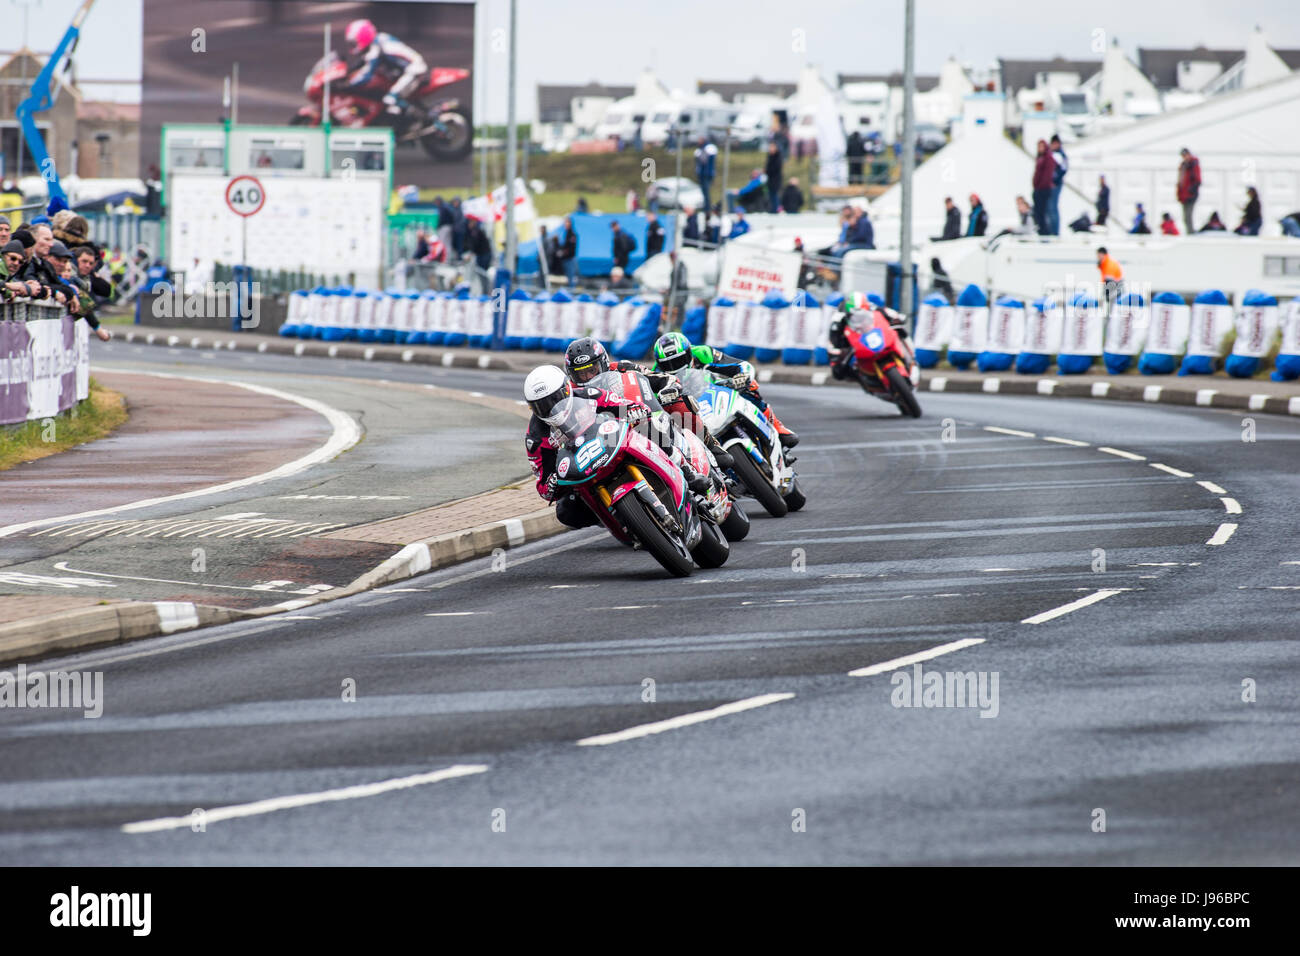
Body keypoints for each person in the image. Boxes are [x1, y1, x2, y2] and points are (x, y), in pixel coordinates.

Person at [523, 365, 669, 531]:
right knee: (565, 511)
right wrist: (552, 483)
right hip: (583, 473)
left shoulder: (589, 395)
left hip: (611, 446)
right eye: (541, 406)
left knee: (650, 426)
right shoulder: (535, 438)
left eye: (555, 399)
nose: (551, 408)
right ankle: (615, 519)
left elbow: (623, 404)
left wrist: (634, 410)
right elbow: (543, 486)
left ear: (567, 389)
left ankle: (686, 471)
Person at [562, 336, 733, 469]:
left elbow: (658, 378)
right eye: (581, 374)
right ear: (571, 374)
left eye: (592, 370)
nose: (588, 377)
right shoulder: (570, 392)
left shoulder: (622, 367)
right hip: (605, 434)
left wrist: (669, 387)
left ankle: (710, 444)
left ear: (604, 363)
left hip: (642, 416)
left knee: (680, 402)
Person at [652, 331, 799, 448]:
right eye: (668, 365)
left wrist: (742, 377)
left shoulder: (703, 353)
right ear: (659, 364)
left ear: (689, 353)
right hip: (688, 408)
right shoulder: (655, 374)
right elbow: (651, 403)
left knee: (750, 386)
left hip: (716, 391)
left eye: (679, 360)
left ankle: (777, 426)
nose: (676, 367)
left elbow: (740, 365)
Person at [344, 18, 428, 118]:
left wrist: (347, 86)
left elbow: (367, 74)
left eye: (354, 43)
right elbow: (362, 63)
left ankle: (420, 118)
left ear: (363, 37)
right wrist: (347, 72)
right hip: (404, 71)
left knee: (390, 99)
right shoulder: (378, 40)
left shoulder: (377, 47)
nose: (354, 46)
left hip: (414, 71)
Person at [1032, 139, 1055, 235]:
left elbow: (1047, 175)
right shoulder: (1040, 158)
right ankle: (1041, 231)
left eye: (1041, 146)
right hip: (1038, 189)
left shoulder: (1048, 158)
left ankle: (1046, 232)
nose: (1039, 149)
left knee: (1044, 212)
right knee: (1038, 213)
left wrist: (1040, 187)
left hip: (1043, 190)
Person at [1176, 148, 1201, 236]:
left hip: (1190, 195)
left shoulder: (1193, 164)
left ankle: (1191, 232)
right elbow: (1180, 181)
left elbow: (1197, 180)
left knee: (1188, 215)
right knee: (1185, 217)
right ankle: (1189, 232)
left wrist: (1192, 191)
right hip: (1183, 195)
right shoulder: (1183, 165)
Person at [1048, 134, 1068, 236]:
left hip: (1055, 185)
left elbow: (1063, 169)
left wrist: (1055, 180)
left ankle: (1055, 231)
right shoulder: (1053, 154)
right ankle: (1052, 230)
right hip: (1051, 185)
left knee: (1052, 207)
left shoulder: (1059, 155)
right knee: (1050, 208)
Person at [553, 215, 578, 284]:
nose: (566, 224)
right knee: (567, 278)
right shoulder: (566, 234)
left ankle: (572, 291)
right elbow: (564, 246)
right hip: (566, 259)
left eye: (567, 222)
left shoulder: (572, 234)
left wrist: (563, 252)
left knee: (571, 278)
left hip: (570, 259)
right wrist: (556, 242)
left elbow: (571, 248)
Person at [694, 137, 717, 212]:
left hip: (706, 174)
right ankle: (706, 206)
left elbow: (705, 161)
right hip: (702, 174)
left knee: (706, 192)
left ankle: (708, 207)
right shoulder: (700, 149)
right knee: (704, 192)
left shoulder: (708, 148)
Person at [765, 142, 783, 213]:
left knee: (774, 194)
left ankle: (776, 209)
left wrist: (767, 170)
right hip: (770, 179)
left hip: (775, 180)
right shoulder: (770, 156)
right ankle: (772, 209)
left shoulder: (778, 156)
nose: (771, 149)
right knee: (771, 195)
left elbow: (776, 168)